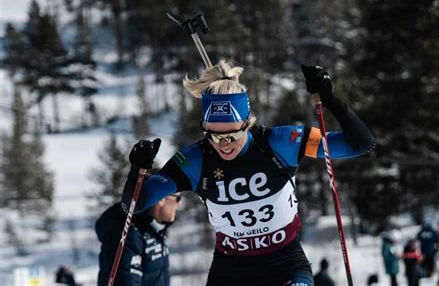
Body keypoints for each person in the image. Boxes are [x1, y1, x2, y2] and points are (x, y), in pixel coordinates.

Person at [121, 60, 375, 285]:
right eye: (214, 135)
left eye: (233, 134)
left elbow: (361, 144)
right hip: (230, 269)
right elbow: (135, 204)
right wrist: (138, 169)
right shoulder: (195, 160)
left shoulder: (280, 143)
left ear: (248, 123)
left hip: (284, 262)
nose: (225, 143)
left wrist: (330, 100)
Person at [96, 192, 181, 286]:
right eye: (178, 198)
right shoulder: (130, 234)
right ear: (161, 199)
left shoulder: (155, 230)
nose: (179, 204)